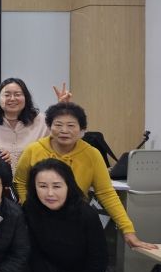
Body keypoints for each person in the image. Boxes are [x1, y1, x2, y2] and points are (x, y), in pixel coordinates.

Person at [13, 102, 155, 250]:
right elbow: (20, 182)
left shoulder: (92, 154)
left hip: (74, 219)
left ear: (82, 129)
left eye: (71, 125)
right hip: (38, 218)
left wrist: (127, 229)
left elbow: (106, 193)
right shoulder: (33, 150)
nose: (64, 130)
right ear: (49, 127)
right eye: (58, 125)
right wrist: (28, 207)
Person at [0, 78, 71, 171]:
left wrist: (63, 109)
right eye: (7, 95)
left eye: (17, 94)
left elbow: (63, 138)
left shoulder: (43, 121)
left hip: (35, 178)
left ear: (26, 98)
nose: (12, 99)